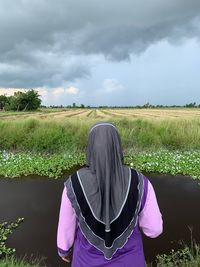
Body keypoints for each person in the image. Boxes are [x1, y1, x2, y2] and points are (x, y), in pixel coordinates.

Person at [57, 122, 163, 267]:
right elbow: (154, 229)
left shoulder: (74, 183)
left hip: (85, 262)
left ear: (91, 148)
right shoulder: (140, 181)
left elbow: (65, 230)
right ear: (117, 146)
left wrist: (63, 251)